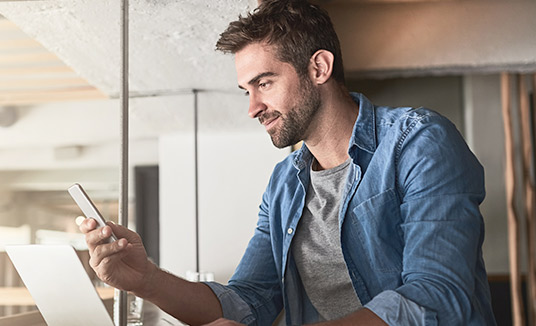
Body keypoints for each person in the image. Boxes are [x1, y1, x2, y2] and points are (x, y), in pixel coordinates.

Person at [80, 0, 496, 325]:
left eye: (264, 83)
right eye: (246, 89)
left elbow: (438, 297)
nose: (253, 107)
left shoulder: (418, 141)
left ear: (318, 67)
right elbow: (248, 302)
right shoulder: (284, 184)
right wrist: (147, 279)